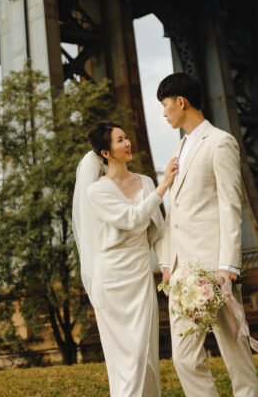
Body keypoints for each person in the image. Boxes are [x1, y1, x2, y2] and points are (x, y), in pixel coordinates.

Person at [157, 71, 258, 397]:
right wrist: (166, 261)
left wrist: (228, 266)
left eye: (165, 104)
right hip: (181, 272)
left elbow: (231, 206)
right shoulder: (180, 149)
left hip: (214, 269)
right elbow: (174, 214)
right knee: (184, 357)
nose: (164, 113)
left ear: (181, 102)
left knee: (235, 352)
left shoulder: (219, 142)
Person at [72, 121, 179, 397]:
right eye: (120, 140)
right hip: (112, 280)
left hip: (140, 274)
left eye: (126, 137)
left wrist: (166, 266)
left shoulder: (144, 181)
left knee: (145, 353)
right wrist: (164, 185)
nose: (127, 143)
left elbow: (157, 231)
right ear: (106, 152)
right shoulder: (97, 191)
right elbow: (131, 219)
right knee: (124, 360)